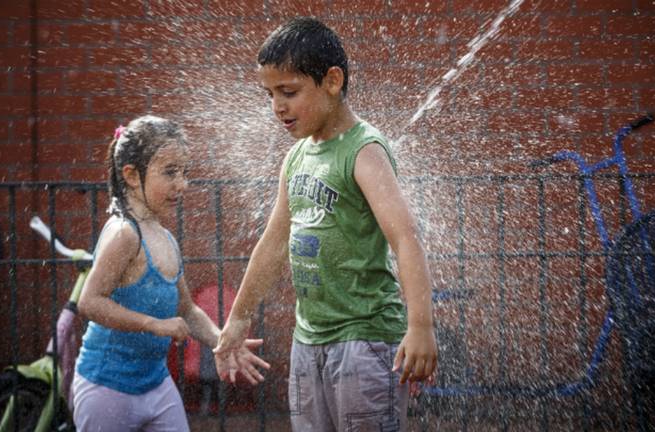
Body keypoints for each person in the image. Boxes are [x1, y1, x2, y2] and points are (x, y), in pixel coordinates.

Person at [213, 17, 437, 431]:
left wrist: (420, 325)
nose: (277, 107)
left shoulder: (363, 150)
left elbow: (405, 237)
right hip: (309, 339)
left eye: (289, 92)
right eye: (270, 94)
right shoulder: (298, 157)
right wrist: (238, 319)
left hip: (365, 339)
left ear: (332, 81)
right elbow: (273, 243)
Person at [73, 115, 270, 431]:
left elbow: (187, 311)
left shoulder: (165, 238)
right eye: (170, 172)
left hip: (156, 385)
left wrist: (221, 341)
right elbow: (90, 302)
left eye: (184, 172)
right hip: (107, 388)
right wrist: (153, 324)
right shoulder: (124, 234)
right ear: (132, 176)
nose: (182, 184)